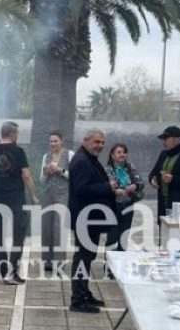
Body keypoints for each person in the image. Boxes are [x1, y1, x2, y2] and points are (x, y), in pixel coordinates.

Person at [69, 129, 117, 314]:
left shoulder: (88, 158)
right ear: (86, 140)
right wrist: (108, 186)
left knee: (87, 257)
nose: (100, 146)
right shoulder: (82, 161)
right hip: (85, 219)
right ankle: (78, 299)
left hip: (91, 219)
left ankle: (83, 292)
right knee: (83, 257)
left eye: (103, 142)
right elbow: (82, 189)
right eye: (96, 142)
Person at [0, 121, 36, 284]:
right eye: (17, 133)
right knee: (18, 234)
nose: (17, 136)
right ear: (12, 133)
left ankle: (1, 272)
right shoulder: (19, 151)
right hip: (16, 197)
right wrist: (33, 196)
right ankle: (11, 273)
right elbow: (26, 175)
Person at [38, 131, 73, 276]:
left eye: (55, 141)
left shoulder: (70, 155)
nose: (53, 144)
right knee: (46, 227)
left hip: (63, 194)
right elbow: (41, 179)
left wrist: (60, 170)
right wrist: (46, 171)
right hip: (47, 194)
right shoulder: (46, 156)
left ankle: (59, 262)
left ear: (61, 141)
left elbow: (75, 176)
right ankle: (47, 261)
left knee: (59, 228)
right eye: (51, 141)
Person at [107, 142, 145, 254]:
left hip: (128, 205)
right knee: (112, 236)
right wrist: (115, 191)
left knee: (124, 235)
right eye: (119, 152)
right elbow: (104, 187)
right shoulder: (107, 170)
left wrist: (135, 185)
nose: (122, 154)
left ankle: (120, 262)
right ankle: (109, 265)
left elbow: (141, 183)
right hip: (113, 207)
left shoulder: (130, 168)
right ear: (112, 155)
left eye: (124, 152)